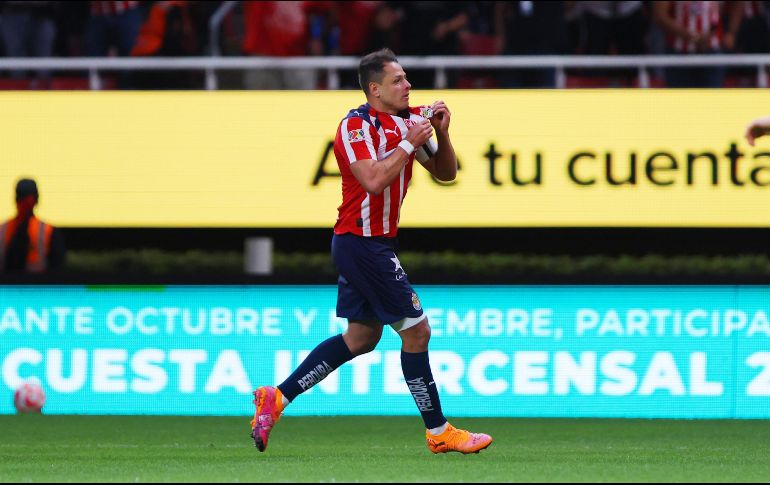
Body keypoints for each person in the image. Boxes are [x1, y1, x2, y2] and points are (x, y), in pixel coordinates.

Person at [250, 48, 493, 455]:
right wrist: (410, 141)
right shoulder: (354, 127)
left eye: (406, 78)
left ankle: (277, 397)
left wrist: (441, 134)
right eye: (398, 80)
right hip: (361, 243)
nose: (408, 85)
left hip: (372, 242)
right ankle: (438, 431)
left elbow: (447, 174)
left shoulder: (410, 121)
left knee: (361, 338)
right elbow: (374, 180)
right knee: (417, 331)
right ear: (374, 89)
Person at [1, 179, 65, 273]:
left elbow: (57, 266)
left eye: (29, 199)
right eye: (24, 199)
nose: (27, 203)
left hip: (38, 285)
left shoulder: (48, 230)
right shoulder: (3, 229)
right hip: (6, 286)